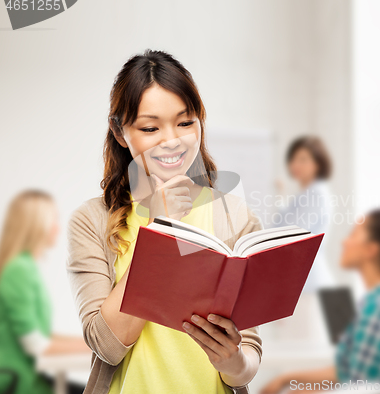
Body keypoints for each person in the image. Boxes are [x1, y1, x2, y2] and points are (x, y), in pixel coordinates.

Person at [66, 49, 263, 394]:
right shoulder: (91, 221)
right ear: (119, 131)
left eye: (185, 122)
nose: (172, 140)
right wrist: (160, 228)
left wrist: (233, 361)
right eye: (150, 127)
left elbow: (246, 362)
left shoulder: (234, 216)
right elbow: (107, 345)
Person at [260, 208, 380, 393]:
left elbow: (359, 387)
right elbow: (350, 373)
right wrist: (288, 379)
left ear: (371, 250)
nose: (344, 241)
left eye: (353, 234)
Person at [0, 190, 90, 394]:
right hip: (19, 383)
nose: (58, 228)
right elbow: (36, 345)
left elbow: (41, 335)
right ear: (35, 225)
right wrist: (96, 349)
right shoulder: (19, 270)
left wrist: (93, 343)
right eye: (54, 220)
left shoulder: (25, 266)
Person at [273, 135, 334, 292]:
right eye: (293, 159)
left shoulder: (316, 193)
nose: (295, 164)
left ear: (318, 163)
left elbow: (290, 230)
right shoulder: (307, 193)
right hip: (305, 280)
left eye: (303, 159)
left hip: (310, 283)